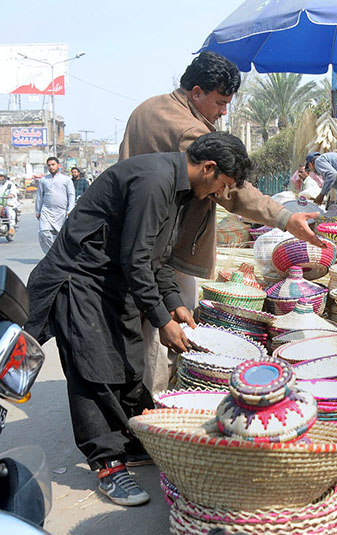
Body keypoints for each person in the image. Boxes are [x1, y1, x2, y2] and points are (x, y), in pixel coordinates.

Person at [25, 132, 250, 506]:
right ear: (209, 169)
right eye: (221, 186)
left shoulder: (178, 190)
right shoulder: (155, 181)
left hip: (113, 283)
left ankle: (134, 438)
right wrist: (162, 320)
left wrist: (175, 303)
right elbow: (136, 258)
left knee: (128, 362)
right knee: (94, 369)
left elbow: (157, 257)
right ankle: (108, 463)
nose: (218, 196)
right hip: (80, 278)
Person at [119, 51, 323, 394]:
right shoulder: (189, 130)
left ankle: (143, 399)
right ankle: (153, 410)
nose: (224, 111)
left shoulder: (147, 108)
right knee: (162, 327)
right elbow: (235, 191)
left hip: (139, 236)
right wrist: (286, 218)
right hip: (163, 244)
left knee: (143, 324)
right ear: (196, 91)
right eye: (220, 101)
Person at [35, 157, 75, 253]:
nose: (51, 167)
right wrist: (38, 210)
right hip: (46, 210)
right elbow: (39, 196)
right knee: (43, 232)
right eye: (49, 165)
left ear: (58, 165)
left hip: (61, 212)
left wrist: (70, 209)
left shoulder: (66, 180)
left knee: (61, 236)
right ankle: (51, 254)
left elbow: (71, 195)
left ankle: (62, 254)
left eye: (53, 164)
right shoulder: (43, 180)